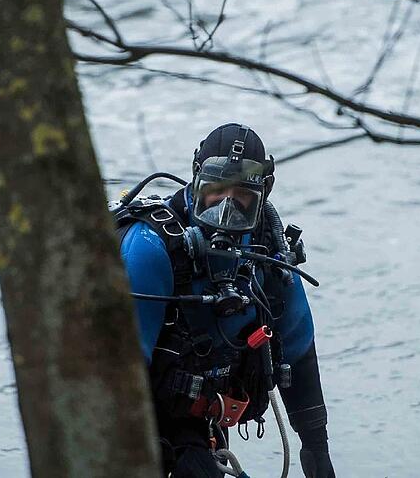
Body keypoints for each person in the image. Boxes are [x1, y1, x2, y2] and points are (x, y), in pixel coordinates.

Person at [117, 123, 336, 477]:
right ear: (196, 179)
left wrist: (317, 451)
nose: (225, 208)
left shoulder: (270, 254)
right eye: (215, 191)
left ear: (264, 192)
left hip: (203, 416)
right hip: (134, 415)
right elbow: (117, 377)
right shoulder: (150, 250)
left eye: (241, 197)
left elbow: (299, 354)